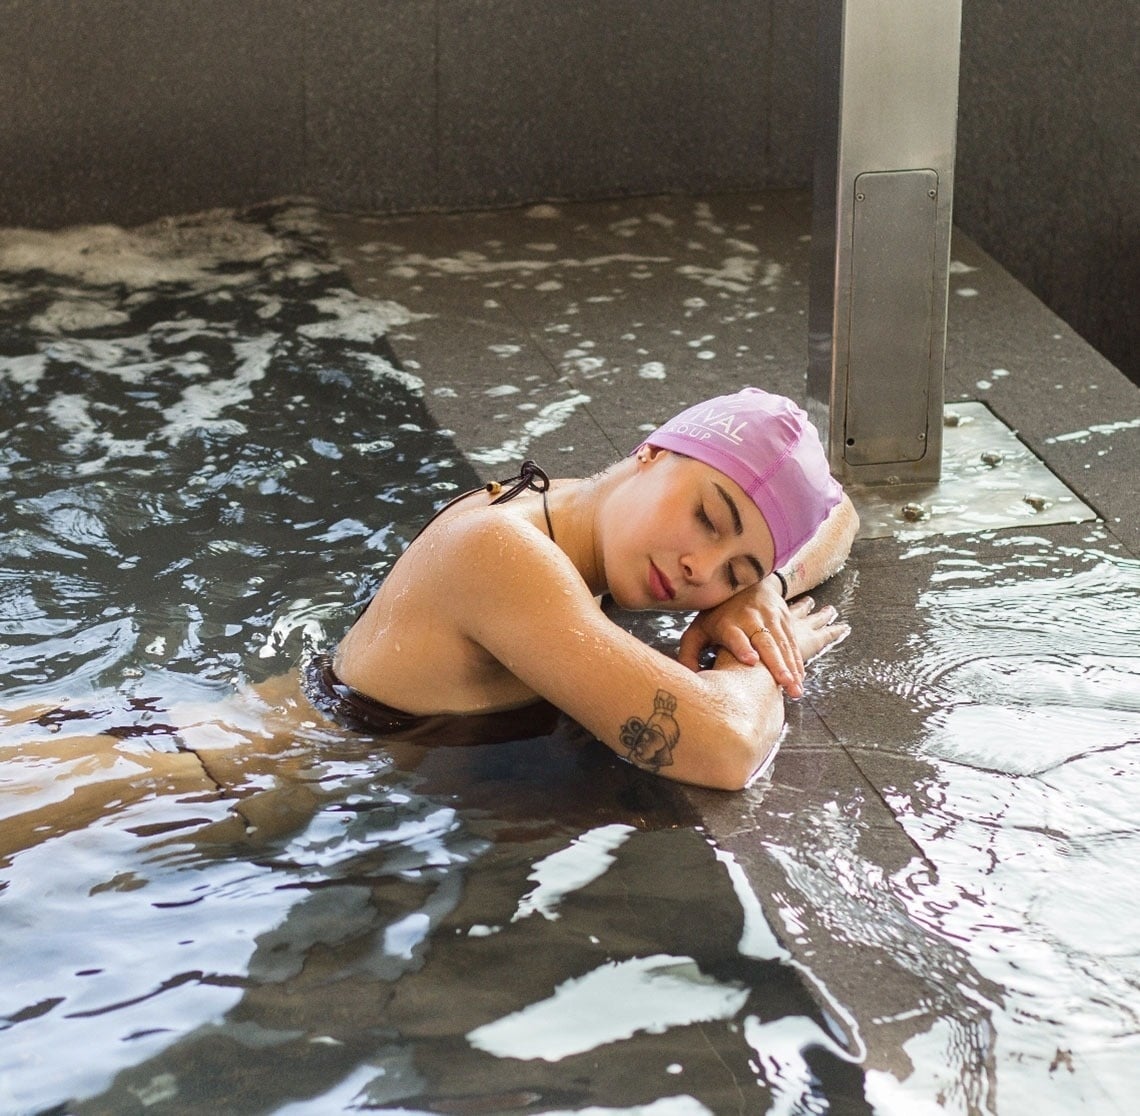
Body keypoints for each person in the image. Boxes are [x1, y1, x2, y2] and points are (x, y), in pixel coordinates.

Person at [308, 387, 859, 790]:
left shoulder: (572, 515)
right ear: (652, 453)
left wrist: (765, 590)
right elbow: (726, 748)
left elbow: (841, 513)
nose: (702, 570)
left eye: (733, 573)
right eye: (709, 518)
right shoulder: (501, 553)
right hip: (262, 787)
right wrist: (763, 657)